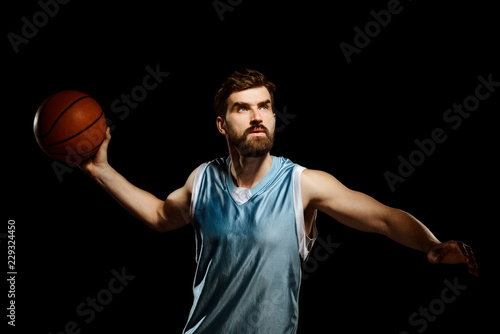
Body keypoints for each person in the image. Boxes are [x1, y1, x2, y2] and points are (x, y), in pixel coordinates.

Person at [80, 68, 478, 333]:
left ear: (273, 117)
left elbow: (384, 218)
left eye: (265, 107)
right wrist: (101, 171)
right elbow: (159, 215)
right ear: (222, 124)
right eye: (243, 108)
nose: (257, 116)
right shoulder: (201, 179)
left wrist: (431, 244)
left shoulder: (303, 184)